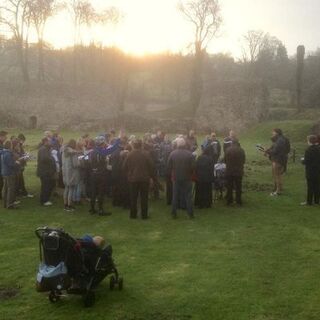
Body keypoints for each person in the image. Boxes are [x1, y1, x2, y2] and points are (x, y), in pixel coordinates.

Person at [87, 135, 120, 216]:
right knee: (101, 192)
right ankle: (101, 210)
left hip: (93, 174)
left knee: (93, 192)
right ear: (101, 143)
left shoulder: (91, 151)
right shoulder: (101, 151)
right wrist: (118, 139)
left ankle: (92, 209)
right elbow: (113, 149)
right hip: (101, 174)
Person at [123, 139, 155, 219]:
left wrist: (129, 173)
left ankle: (133, 215)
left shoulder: (129, 154)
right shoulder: (146, 154)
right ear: (141, 145)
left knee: (133, 198)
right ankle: (144, 215)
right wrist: (151, 176)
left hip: (133, 179)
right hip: (144, 179)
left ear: (133, 145)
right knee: (144, 198)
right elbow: (152, 166)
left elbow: (124, 167)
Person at [167, 137, 195, 219]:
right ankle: (190, 214)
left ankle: (173, 213)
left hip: (176, 177)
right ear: (185, 144)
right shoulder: (190, 154)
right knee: (188, 196)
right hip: (187, 177)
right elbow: (193, 167)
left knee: (175, 196)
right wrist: (189, 172)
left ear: (177, 145)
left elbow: (169, 166)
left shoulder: (172, 153)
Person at [265, 129, 290, 196]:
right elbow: (288, 149)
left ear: (277, 133)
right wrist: (268, 150)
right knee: (279, 175)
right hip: (281, 159)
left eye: (273, 132)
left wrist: (268, 152)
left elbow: (275, 151)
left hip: (278, 160)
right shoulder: (282, 139)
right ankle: (280, 188)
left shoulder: (280, 141)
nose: (272, 134)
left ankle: (278, 191)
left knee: (277, 175)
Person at [0, 140, 20, 209]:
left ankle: (5, 203)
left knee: (6, 189)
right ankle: (10, 204)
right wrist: (16, 162)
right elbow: (11, 164)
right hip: (9, 173)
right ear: (9, 146)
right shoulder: (8, 154)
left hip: (4, 172)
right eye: (11, 145)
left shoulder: (3, 152)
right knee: (10, 189)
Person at [61, 139, 80, 212]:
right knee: (71, 189)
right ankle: (69, 205)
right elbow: (76, 164)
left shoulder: (63, 151)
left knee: (66, 188)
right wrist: (80, 162)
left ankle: (65, 205)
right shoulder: (73, 153)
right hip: (71, 172)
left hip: (65, 172)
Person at [225, 141, 246, 206]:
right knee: (238, 187)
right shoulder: (242, 150)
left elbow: (225, 160)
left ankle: (229, 201)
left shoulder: (227, 150)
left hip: (229, 171)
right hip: (238, 171)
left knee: (229, 186)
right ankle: (238, 201)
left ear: (232, 144)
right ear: (238, 144)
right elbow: (243, 161)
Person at [37, 138, 56, 206]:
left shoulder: (46, 149)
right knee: (45, 186)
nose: (50, 142)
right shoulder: (43, 149)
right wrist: (51, 159)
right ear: (45, 142)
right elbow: (44, 159)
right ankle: (44, 200)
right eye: (49, 141)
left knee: (49, 185)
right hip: (44, 171)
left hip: (47, 171)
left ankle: (46, 199)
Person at [301, 135, 320, 206]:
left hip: (310, 170)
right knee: (317, 186)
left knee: (310, 186)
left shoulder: (308, 150)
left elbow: (307, 161)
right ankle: (317, 201)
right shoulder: (318, 148)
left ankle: (309, 202)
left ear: (309, 141)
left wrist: (302, 160)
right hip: (318, 170)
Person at [0, 130, 8, 200]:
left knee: (1, 181)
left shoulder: (2, 143)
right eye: (5, 136)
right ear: (1, 136)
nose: (6, 138)